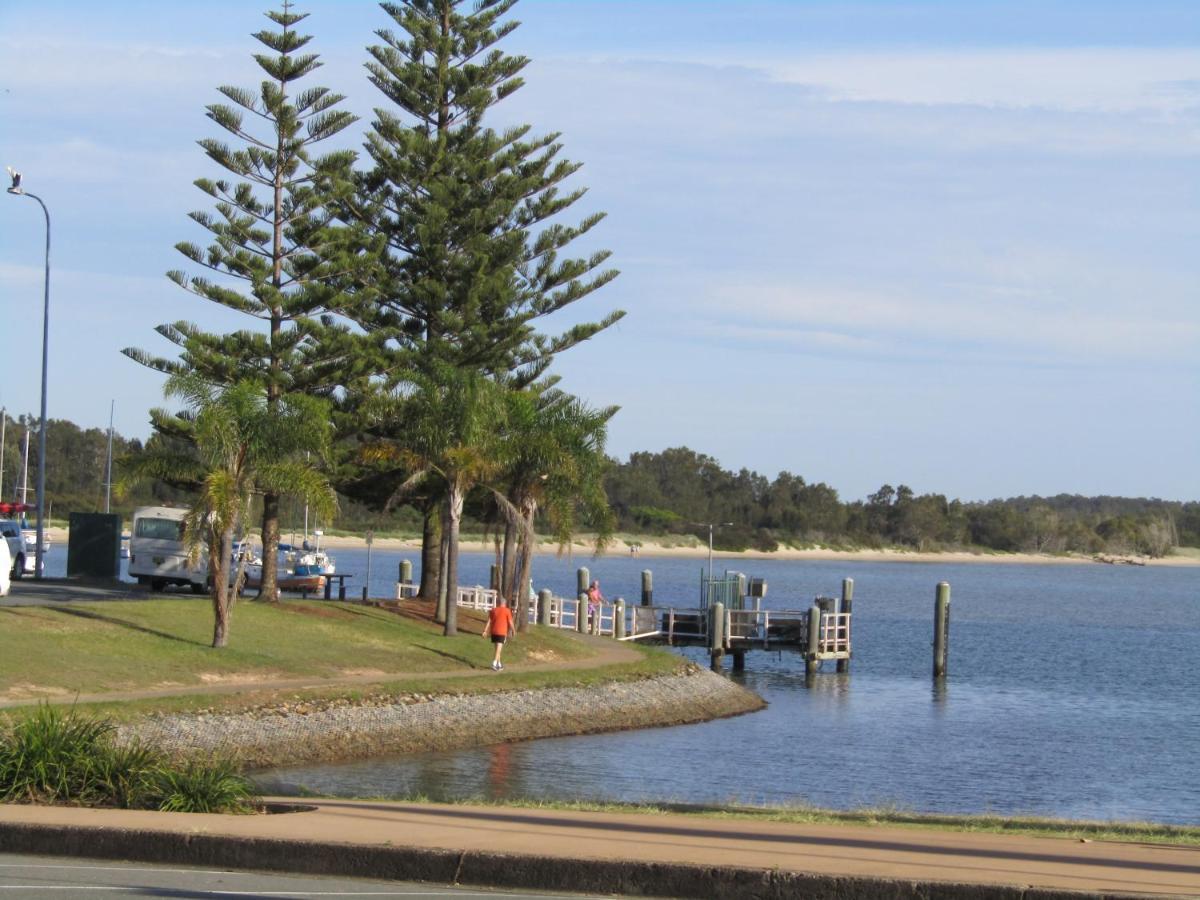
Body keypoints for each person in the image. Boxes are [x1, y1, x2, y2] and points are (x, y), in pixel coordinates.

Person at [483, 599, 515, 671]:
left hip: (494, 632)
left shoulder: (493, 610)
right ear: (505, 603)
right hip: (502, 632)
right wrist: (513, 630)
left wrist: (485, 631)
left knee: (497, 649)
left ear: (498, 603)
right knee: (498, 649)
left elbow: (489, 621)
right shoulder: (507, 611)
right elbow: (510, 622)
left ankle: (499, 664)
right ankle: (494, 663)